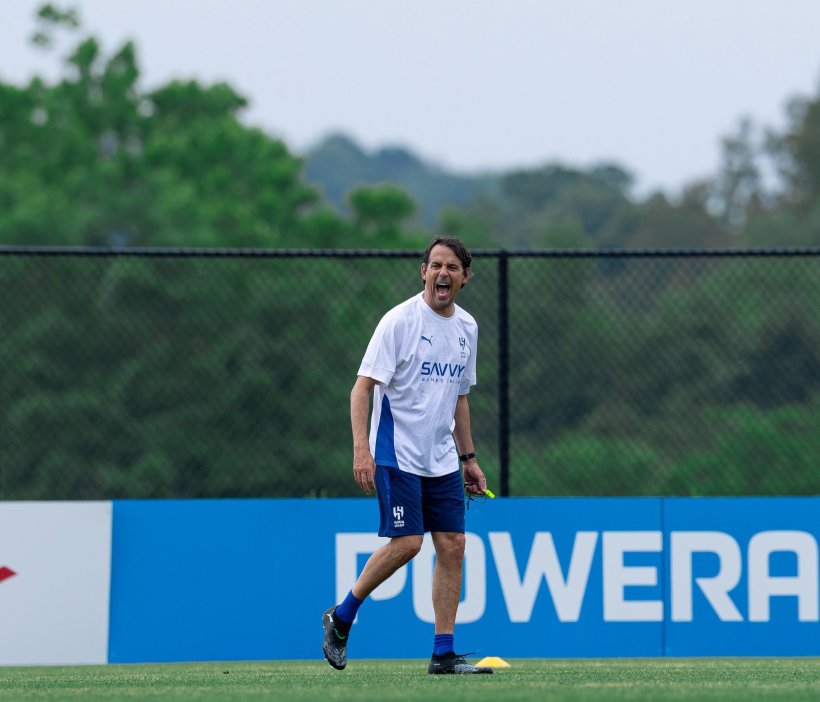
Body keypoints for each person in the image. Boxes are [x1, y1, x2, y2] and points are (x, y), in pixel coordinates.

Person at [322, 236, 493, 675]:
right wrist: (362, 449)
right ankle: (341, 617)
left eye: (452, 268)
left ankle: (443, 654)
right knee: (408, 544)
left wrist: (468, 457)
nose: (442, 274)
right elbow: (362, 388)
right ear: (423, 271)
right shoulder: (399, 321)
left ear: (465, 277)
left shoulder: (467, 329)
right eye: (435, 265)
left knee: (453, 546)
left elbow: (459, 397)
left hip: (440, 459)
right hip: (395, 454)